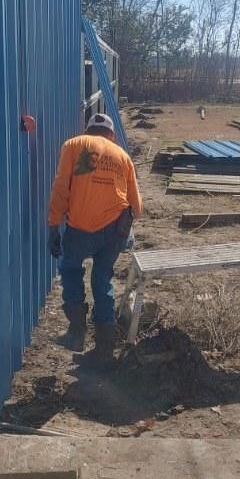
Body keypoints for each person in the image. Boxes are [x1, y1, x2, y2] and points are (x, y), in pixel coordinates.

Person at [47, 112, 142, 360]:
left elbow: (61, 187)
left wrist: (53, 225)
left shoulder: (74, 145)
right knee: (102, 282)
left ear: (88, 131)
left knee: (70, 270)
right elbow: (137, 207)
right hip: (113, 232)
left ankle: (76, 332)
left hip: (79, 228)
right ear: (111, 135)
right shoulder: (122, 156)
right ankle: (104, 349)